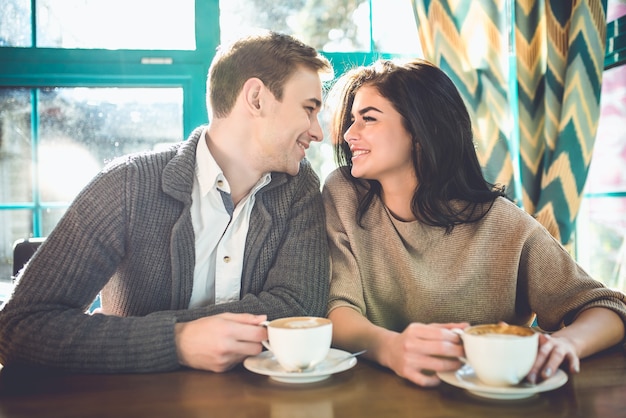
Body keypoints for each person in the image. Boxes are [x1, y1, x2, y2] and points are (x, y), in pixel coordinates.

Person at [0, 31, 333, 374]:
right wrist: (175, 341)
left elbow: (298, 310)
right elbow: (18, 328)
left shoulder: (299, 187)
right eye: (309, 109)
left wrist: (132, 329)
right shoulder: (127, 184)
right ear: (256, 98)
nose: (318, 131)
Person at [322, 58, 626, 387]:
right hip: (375, 396)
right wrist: (390, 348)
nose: (349, 134)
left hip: (489, 398)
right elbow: (337, 308)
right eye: (352, 120)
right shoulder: (343, 194)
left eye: (368, 118)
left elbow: (606, 306)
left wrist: (567, 342)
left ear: (422, 131)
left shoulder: (501, 223)